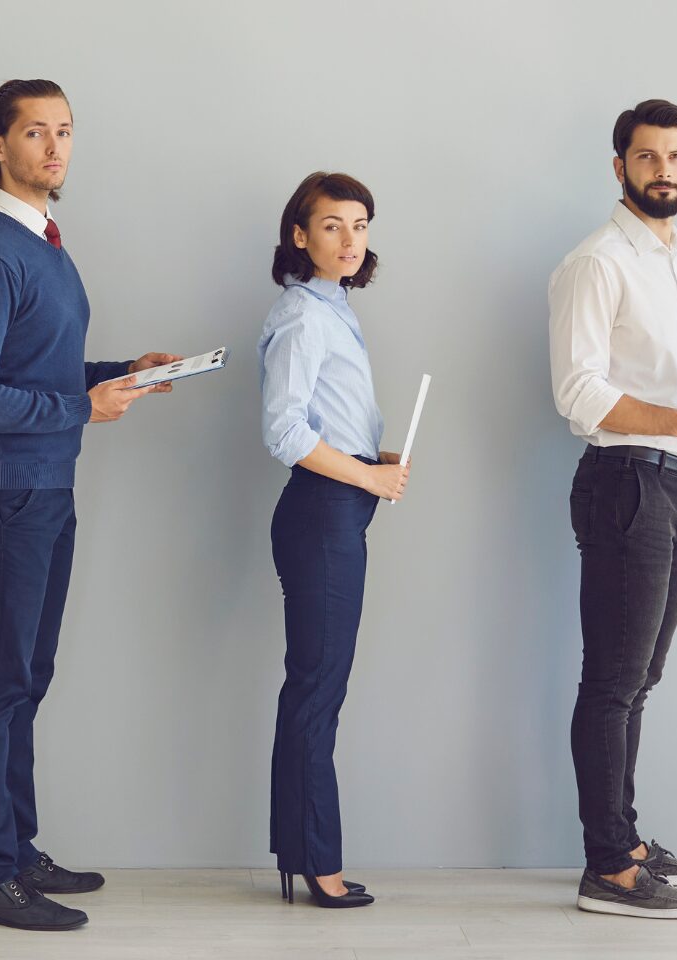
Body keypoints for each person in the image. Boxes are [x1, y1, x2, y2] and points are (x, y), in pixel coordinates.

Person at [0, 78, 181, 932]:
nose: (54, 147)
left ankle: (16, 849)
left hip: (44, 483)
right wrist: (85, 406)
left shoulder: (41, 238)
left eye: (65, 131)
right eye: (35, 132)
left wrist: (115, 374)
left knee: (27, 678)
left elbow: (30, 370)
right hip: (5, 489)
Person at [547, 98, 677, 920]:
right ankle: (608, 869)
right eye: (648, 156)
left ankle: (624, 840)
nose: (665, 170)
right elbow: (578, 390)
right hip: (626, 479)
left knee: (642, 678)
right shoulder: (597, 262)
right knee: (613, 679)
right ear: (619, 166)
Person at [259, 171, 403, 910]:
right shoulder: (303, 316)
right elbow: (284, 432)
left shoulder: (333, 307)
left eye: (361, 225)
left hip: (338, 506)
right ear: (299, 234)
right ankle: (320, 866)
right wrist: (366, 479)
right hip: (322, 515)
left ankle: (301, 853)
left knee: (314, 691)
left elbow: (328, 419)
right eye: (333, 226)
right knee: (318, 694)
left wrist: (372, 461)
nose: (350, 240)